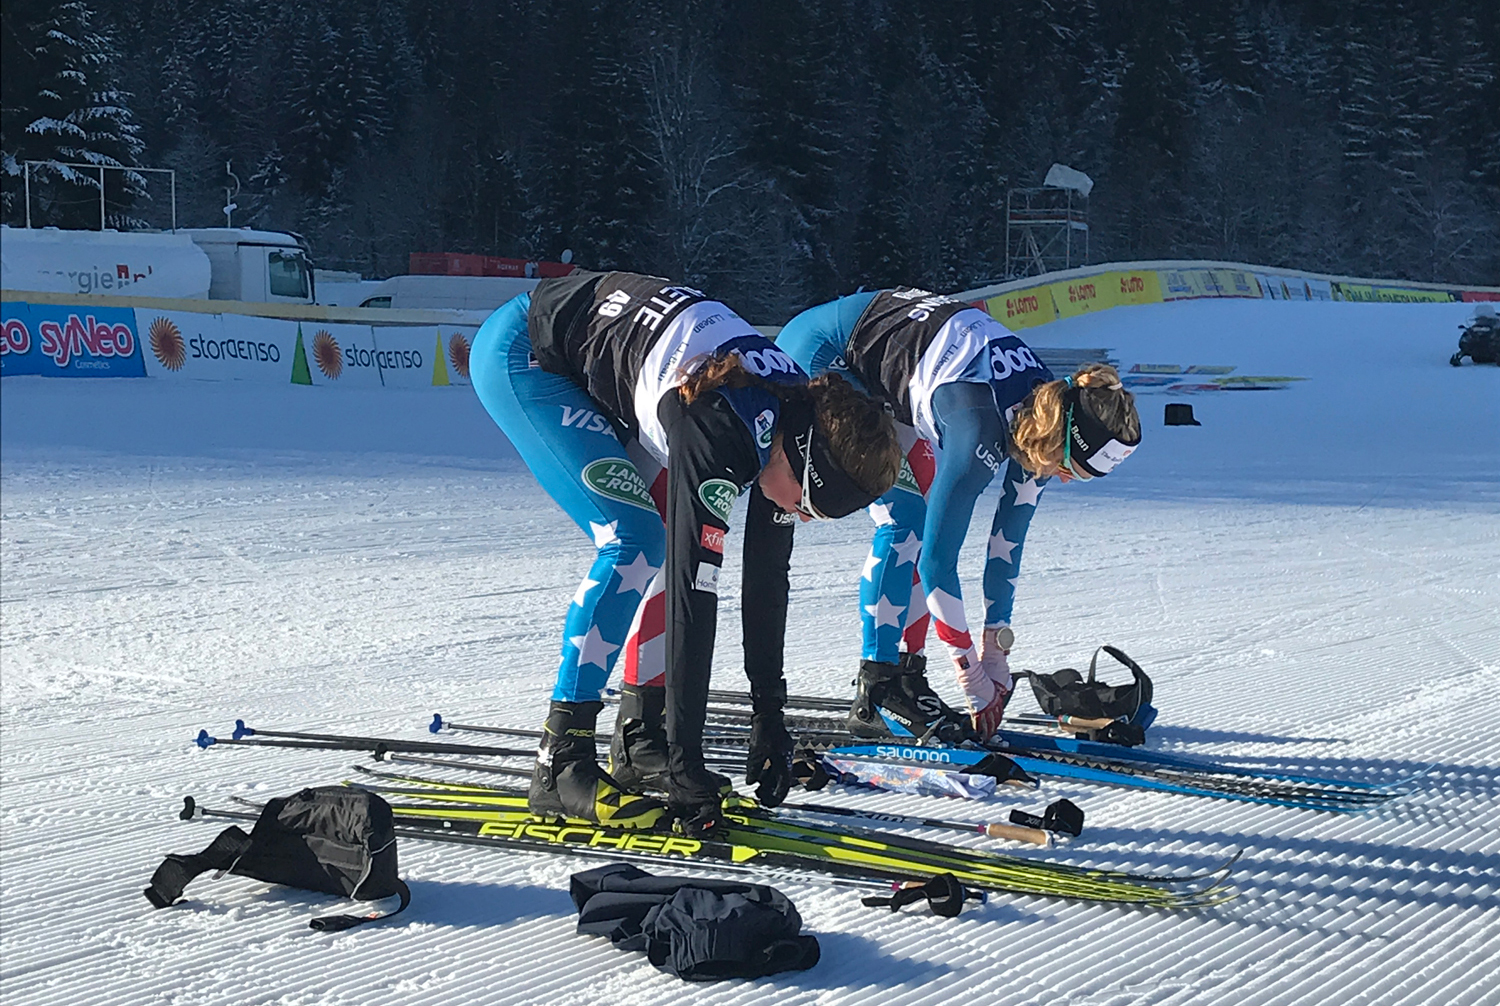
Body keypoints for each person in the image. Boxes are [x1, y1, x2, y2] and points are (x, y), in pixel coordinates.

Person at [470, 271, 901, 833]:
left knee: (666, 530)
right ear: (804, 464)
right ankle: (561, 757)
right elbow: (693, 596)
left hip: (615, 359)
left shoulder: (794, 421)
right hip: (526, 351)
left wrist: (769, 717)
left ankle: (639, 735)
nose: (801, 518)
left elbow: (766, 583)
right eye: (811, 507)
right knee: (637, 540)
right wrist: (687, 762)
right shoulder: (724, 427)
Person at [777, 288, 1142, 742]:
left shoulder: (1051, 412)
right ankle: (876, 689)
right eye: (1074, 471)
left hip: (884, 365)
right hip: (821, 356)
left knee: (923, 508)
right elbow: (936, 563)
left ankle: (906, 675)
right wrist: (969, 672)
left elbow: (1008, 541)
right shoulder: (978, 431)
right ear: (1061, 444)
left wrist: (996, 646)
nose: (1067, 481)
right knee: (906, 519)